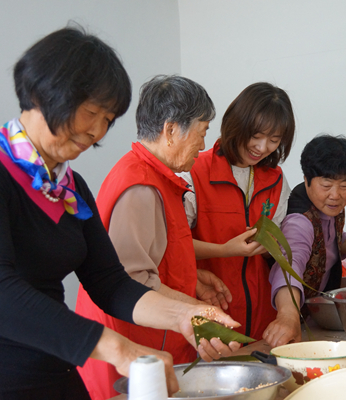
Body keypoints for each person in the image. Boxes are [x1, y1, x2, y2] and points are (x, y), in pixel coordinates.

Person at [0, 27, 239, 399]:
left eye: (108, 119)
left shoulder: (69, 188)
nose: (97, 132)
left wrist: (183, 316)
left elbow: (110, 282)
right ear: (41, 94)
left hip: (55, 368)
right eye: (91, 113)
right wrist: (118, 348)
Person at [75, 75, 235, 399]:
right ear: (171, 129)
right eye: (202, 131)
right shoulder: (140, 187)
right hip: (131, 355)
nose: (203, 145)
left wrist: (192, 278)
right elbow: (131, 281)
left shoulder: (153, 177)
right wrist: (194, 310)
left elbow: (156, 255)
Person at [186, 82, 295, 340]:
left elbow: (282, 250)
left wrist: (270, 246)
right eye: (256, 135)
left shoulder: (276, 180)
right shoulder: (195, 171)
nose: (262, 147)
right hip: (209, 314)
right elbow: (171, 246)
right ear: (237, 123)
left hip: (261, 321)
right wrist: (225, 250)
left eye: (274, 140)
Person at [265, 134, 346, 346]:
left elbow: (327, 237)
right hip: (282, 323)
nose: (335, 195)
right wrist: (288, 315)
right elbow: (289, 264)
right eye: (326, 185)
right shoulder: (299, 221)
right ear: (306, 180)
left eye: (344, 186)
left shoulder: (327, 208)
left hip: (310, 319)